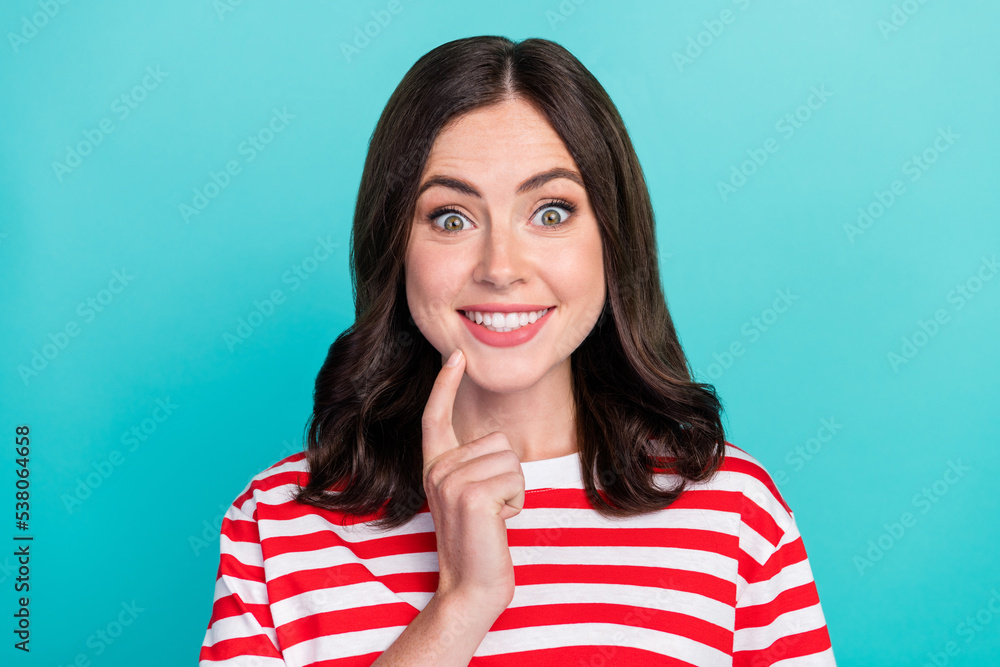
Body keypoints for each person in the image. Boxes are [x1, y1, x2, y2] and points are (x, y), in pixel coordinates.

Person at [199, 36, 836, 666]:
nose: (501, 269)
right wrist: (461, 604)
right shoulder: (277, 523)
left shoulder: (734, 511)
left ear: (612, 240)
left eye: (551, 213)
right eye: (451, 218)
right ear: (395, 247)